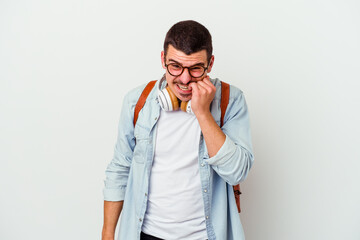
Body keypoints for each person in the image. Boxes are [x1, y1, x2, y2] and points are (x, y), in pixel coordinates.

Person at [102, 20, 254, 240]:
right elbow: (120, 168)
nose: (184, 78)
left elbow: (237, 172)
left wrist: (203, 113)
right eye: (175, 66)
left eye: (195, 68)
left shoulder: (231, 101)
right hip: (146, 234)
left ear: (209, 64)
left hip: (205, 236)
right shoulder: (137, 101)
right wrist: (107, 234)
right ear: (163, 60)